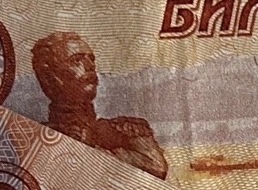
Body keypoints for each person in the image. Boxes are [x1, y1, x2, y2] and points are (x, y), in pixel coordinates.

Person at [32, 30, 168, 178]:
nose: (90, 66)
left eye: (91, 59)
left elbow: (157, 168)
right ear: (49, 78)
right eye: (76, 60)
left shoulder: (124, 130)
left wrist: (91, 146)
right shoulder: (32, 136)